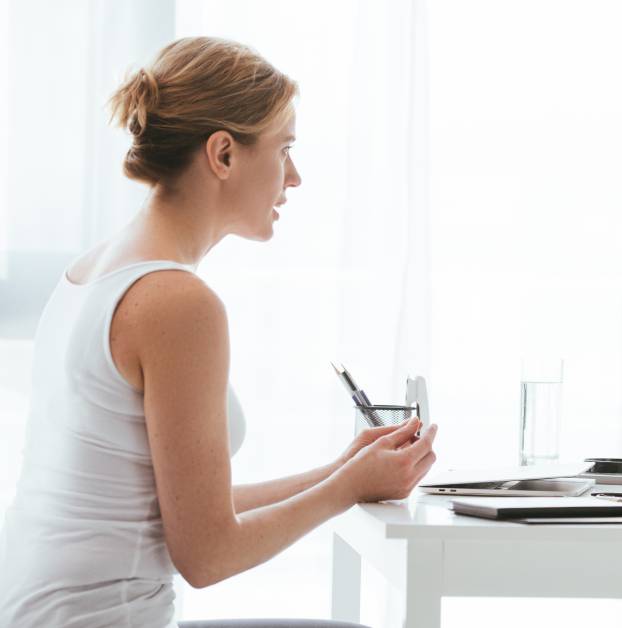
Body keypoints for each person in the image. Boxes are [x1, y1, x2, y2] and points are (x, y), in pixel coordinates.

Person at [0, 37, 437, 627]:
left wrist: (346, 473)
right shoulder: (178, 304)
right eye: (284, 150)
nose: (296, 177)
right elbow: (207, 555)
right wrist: (343, 488)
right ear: (223, 154)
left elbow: (184, 510)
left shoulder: (91, 274)